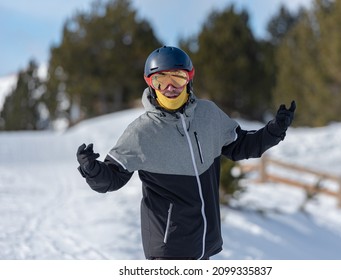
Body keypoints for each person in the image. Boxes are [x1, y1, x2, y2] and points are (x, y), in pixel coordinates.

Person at [76, 46, 296, 260]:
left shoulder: (208, 115)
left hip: (203, 247)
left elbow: (241, 146)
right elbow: (111, 179)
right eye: (160, 81)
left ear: (189, 79)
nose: (170, 87)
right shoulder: (142, 132)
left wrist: (273, 131)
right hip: (169, 251)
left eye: (178, 78)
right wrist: (93, 171)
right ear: (150, 84)